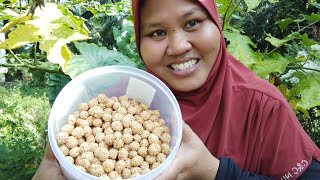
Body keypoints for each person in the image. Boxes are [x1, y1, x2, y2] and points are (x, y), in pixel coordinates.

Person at [33, 0, 320, 179]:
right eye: (157, 32)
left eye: (193, 23)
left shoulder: (262, 106)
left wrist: (216, 173)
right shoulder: (122, 99)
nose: (179, 46)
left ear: (216, 24)